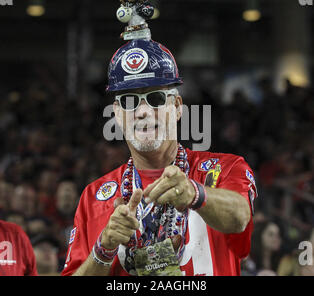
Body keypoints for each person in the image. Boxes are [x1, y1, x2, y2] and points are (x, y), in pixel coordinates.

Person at [61, 38, 257, 276]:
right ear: (117, 114)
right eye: (130, 101)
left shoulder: (224, 169)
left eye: (155, 98)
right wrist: (104, 248)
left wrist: (196, 193)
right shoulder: (94, 196)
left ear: (177, 107)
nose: (143, 111)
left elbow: (240, 217)